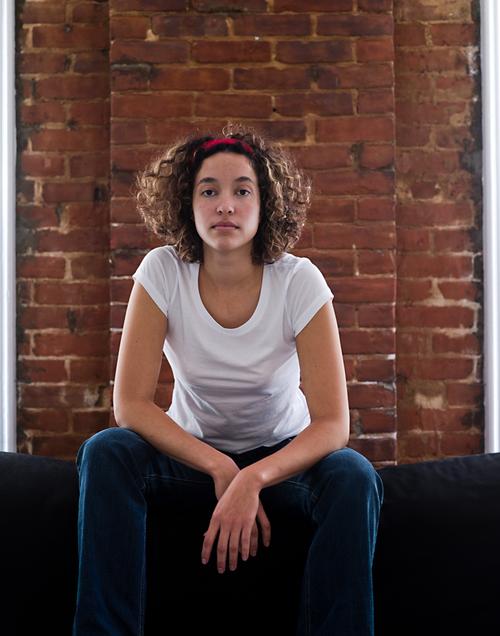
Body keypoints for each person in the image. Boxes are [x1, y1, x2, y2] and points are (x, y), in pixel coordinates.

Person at [72, 124, 384, 636]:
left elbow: (332, 425)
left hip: (282, 459)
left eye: (242, 190)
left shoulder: (299, 281)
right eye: (209, 191)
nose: (225, 205)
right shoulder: (162, 272)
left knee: (353, 474)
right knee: (106, 450)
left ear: (265, 205)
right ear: (186, 204)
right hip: (190, 458)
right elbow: (130, 404)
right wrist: (220, 467)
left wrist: (253, 477)